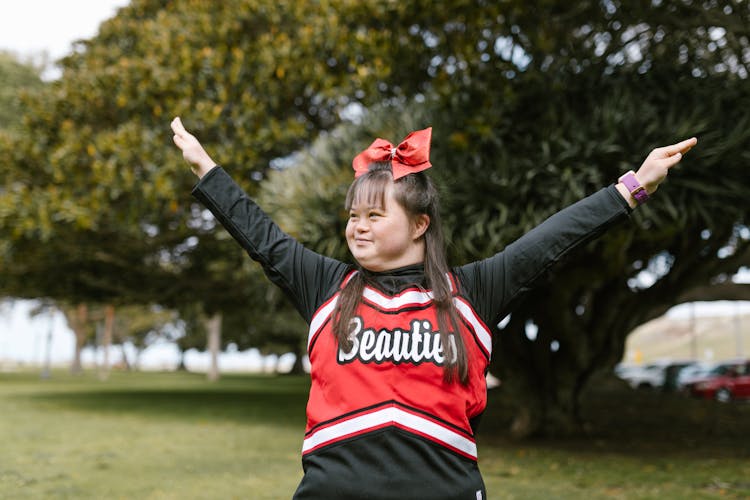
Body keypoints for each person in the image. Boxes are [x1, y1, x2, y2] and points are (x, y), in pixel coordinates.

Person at [171, 116, 696, 499]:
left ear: (420, 224)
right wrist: (207, 169)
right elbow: (260, 236)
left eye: (376, 214)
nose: (358, 226)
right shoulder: (326, 286)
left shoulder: (471, 292)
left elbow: (549, 241)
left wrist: (631, 189)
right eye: (353, 215)